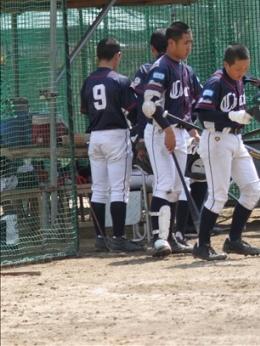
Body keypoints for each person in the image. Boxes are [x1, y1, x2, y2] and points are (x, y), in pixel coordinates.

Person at [191, 44, 260, 261]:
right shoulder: (216, 82)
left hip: (235, 139)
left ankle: (234, 240)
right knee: (218, 195)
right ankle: (202, 245)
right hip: (216, 139)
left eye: (245, 69)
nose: (242, 73)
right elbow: (203, 115)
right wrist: (231, 116)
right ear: (226, 64)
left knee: (253, 189)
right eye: (238, 69)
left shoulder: (238, 79)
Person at [141, 21, 202, 257]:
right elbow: (150, 104)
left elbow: (193, 104)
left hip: (180, 133)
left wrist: (193, 131)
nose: (189, 47)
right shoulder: (161, 67)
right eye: (185, 43)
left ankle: (172, 238)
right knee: (164, 183)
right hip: (159, 132)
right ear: (171, 43)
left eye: (191, 42)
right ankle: (159, 239)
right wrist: (167, 130)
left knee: (178, 187)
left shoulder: (187, 70)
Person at [80, 37, 144, 252]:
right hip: (116, 136)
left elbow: (86, 111)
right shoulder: (120, 80)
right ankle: (118, 238)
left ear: (97, 56)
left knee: (98, 189)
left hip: (95, 137)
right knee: (119, 190)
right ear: (117, 56)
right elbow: (133, 113)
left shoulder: (88, 81)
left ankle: (101, 239)